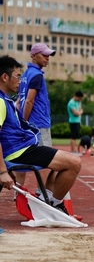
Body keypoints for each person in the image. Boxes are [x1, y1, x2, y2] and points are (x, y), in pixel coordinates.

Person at [0, 55, 81, 215]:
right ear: (4, 77)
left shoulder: (5, 100)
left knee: (62, 163)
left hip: (24, 149)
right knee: (73, 162)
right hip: (18, 152)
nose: (20, 81)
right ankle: (54, 206)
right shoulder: (0, 102)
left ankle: (48, 202)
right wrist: (3, 171)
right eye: (17, 76)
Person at [15, 43, 56, 189]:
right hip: (39, 123)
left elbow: (19, 101)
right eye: (44, 55)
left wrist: (20, 122)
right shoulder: (37, 75)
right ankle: (42, 193)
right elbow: (29, 101)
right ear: (33, 55)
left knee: (23, 158)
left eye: (48, 55)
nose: (47, 58)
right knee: (47, 159)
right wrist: (25, 121)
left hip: (26, 123)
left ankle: (18, 191)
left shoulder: (25, 75)